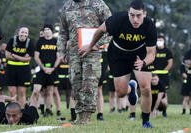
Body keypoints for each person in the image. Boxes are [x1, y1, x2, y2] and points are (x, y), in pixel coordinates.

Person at [79, 0, 157, 128]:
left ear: (145, 14)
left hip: (140, 54)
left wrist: (143, 62)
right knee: (120, 93)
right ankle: (131, 88)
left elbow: (151, 54)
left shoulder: (149, 25)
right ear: (128, 13)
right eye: (132, 15)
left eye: (138, 15)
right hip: (118, 53)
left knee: (146, 88)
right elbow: (100, 31)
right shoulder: (118, 19)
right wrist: (90, 46)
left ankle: (146, 122)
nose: (135, 19)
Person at [58, 0, 111, 125]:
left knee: (89, 83)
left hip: (92, 51)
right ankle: (79, 116)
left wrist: (95, 45)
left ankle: (86, 118)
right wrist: (61, 51)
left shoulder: (98, 4)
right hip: (74, 52)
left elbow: (111, 27)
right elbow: (62, 31)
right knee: (76, 82)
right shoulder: (67, 5)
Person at [30, 24, 61, 117]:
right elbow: (36, 57)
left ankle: (48, 110)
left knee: (49, 91)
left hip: (52, 70)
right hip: (41, 70)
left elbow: (58, 57)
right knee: (36, 90)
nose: (46, 31)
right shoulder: (40, 41)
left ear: (51, 31)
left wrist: (53, 68)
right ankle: (32, 109)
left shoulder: (56, 41)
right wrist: (43, 68)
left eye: (48, 29)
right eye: (45, 29)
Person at [5, 26, 34, 108]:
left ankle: (21, 112)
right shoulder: (12, 40)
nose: (23, 34)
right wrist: (22, 58)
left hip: (24, 69)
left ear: (28, 34)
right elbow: (7, 56)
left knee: (22, 92)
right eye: (22, 32)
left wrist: (15, 56)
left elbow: (28, 59)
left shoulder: (30, 43)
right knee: (12, 92)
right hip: (11, 68)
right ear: (18, 32)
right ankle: (13, 111)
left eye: (26, 33)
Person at [151, 34, 173, 117]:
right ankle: (151, 109)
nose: (159, 42)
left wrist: (164, 70)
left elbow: (170, 63)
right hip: (154, 75)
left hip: (164, 75)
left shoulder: (167, 51)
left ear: (164, 41)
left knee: (164, 93)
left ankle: (164, 111)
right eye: (158, 40)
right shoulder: (154, 50)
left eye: (161, 40)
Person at [180, 51, 191, 115]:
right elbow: (183, 73)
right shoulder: (183, 65)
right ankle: (184, 111)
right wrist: (184, 75)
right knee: (186, 97)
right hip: (186, 81)